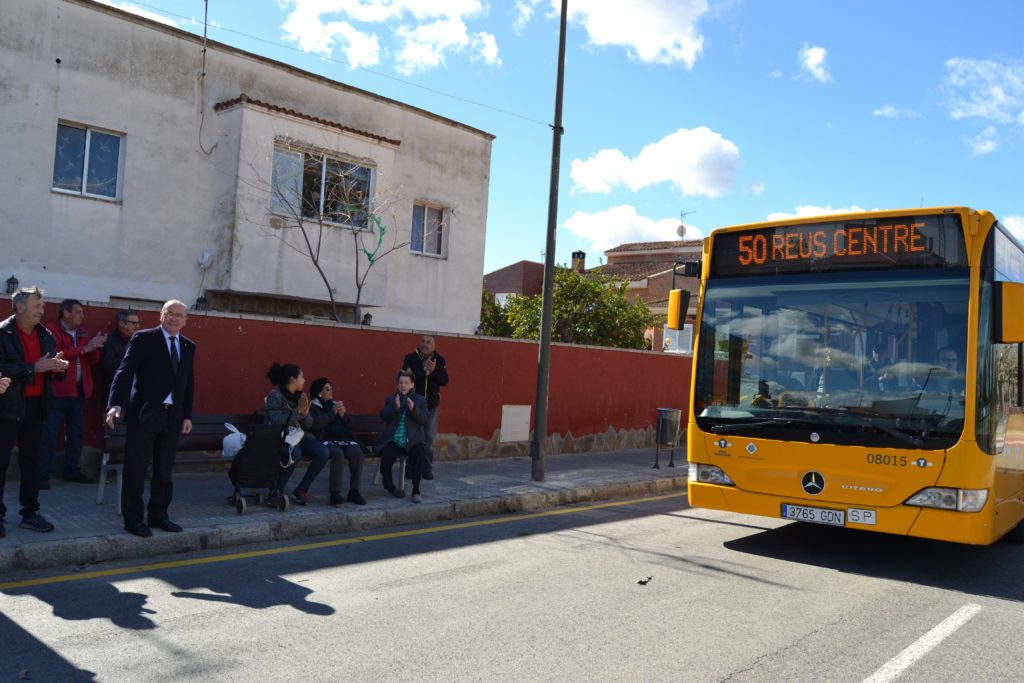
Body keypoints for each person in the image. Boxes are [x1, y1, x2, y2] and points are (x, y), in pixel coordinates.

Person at [106, 300, 195, 538]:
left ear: (186, 320)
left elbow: (187, 383)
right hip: (145, 414)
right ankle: (133, 520)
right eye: (170, 314)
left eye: (179, 315)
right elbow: (124, 371)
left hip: (172, 416)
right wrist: (116, 404)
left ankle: (159, 515)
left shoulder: (188, 346)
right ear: (161, 315)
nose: (174, 319)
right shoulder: (144, 338)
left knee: (164, 470)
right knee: (136, 468)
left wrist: (187, 414)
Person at [0, 287, 69, 537]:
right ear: (19, 307)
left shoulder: (45, 334)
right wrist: (33, 368)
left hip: (36, 407)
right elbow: (3, 367)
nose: (43, 310)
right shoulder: (3, 333)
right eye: (37, 306)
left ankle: (30, 512)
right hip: (7, 406)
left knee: (32, 462)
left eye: (42, 306)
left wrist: (57, 367)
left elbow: (53, 374)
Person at [40, 299, 107, 487]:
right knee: (49, 434)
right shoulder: (51, 329)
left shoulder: (82, 331)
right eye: (78, 312)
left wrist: (95, 347)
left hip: (78, 391)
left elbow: (92, 360)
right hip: (57, 391)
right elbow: (58, 354)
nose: (82, 316)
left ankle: (72, 471)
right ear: (66, 313)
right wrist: (86, 348)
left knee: (76, 434)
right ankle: (42, 475)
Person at [264, 363, 330, 506]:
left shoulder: (300, 397)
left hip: (299, 437)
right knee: (295, 453)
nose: (304, 380)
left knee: (323, 452)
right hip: (280, 438)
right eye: (302, 377)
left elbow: (309, 425)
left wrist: (305, 414)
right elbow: (275, 421)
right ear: (293, 379)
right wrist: (297, 412)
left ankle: (301, 490)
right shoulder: (275, 396)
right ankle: (276, 491)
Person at [308, 377, 366, 506]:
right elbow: (315, 425)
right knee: (338, 455)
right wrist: (332, 414)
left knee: (357, 454)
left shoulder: (335, 405)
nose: (331, 391)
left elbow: (351, 427)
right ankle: (335, 494)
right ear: (319, 392)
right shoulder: (313, 406)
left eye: (331, 388)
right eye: (328, 389)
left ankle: (354, 491)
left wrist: (343, 415)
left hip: (344, 439)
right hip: (325, 440)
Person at [375, 368, 429, 503]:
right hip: (395, 440)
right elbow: (383, 416)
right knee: (386, 455)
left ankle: (416, 490)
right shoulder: (391, 399)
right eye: (400, 383)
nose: (403, 385)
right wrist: (395, 407)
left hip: (413, 440)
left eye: (406, 383)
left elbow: (424, 419)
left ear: (412, 385)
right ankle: (390, 487)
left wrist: (413, 409)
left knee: (419, 455)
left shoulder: (420, 400)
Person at [402, 334, 448, 480]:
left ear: (434, 346)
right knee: (412, 438)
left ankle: (426, 469)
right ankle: (410, 469)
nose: (425, 344)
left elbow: (445, 381)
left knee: (428, 439)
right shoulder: (410, 358)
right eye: (423, 341)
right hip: (413, 405)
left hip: (431, 406)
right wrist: (425, 372)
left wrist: (433, 372)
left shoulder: (439, 360)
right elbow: (407, 379)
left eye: (428, 342)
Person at [101, 309, 140, 396]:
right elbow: (109, 365)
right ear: (122, 323)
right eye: (134, 323)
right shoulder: (109, 340)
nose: (137, 326)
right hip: (116, 390)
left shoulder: (138, 340)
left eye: (138, 323)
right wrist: (132, 357)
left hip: (135, 390)